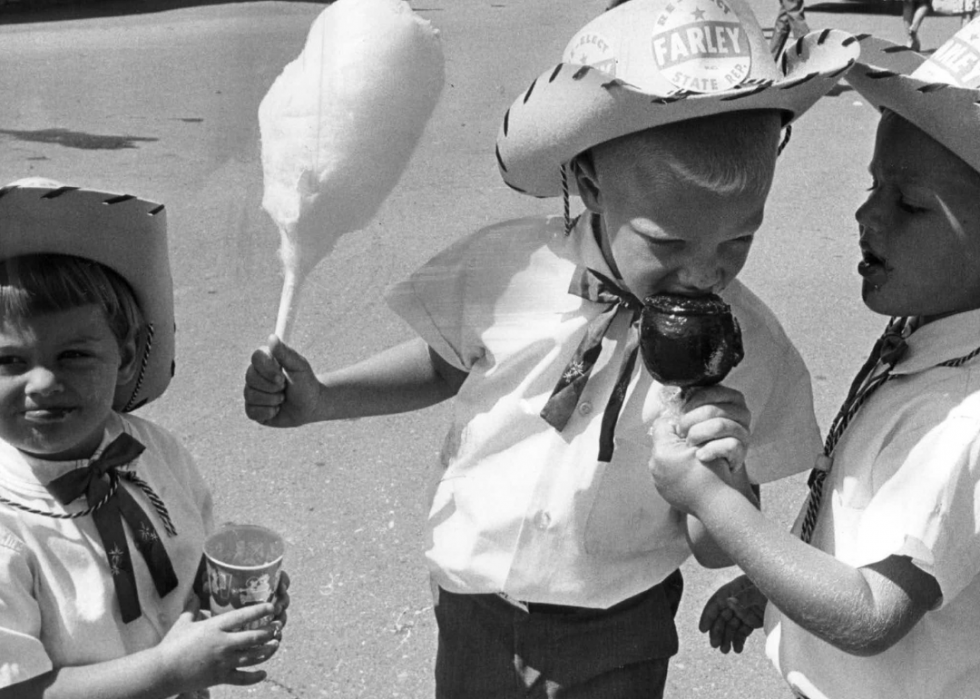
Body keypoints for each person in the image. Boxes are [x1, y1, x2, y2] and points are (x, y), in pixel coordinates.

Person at [243, 1, 856, 696]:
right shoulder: (507, 266)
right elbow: (445, 361)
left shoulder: (751, 350)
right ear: (591, 182)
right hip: (475, 599)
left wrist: (722, 474)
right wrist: (324, 395)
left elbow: (715, 547)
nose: (706, 272)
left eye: (738, 241)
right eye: (668, 243)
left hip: (619, 622)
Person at [649, 20, 980, 699]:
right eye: (875, 186)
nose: (867, 216)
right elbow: (879, 536)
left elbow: (870, 612)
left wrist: (711, 498)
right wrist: (777, 578)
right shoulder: (929, 339)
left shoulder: (960, 418)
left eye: (911, 204)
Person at [0, 179, 289, 699]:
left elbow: (188, 556)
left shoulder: (151, 450)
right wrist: (169, 670)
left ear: (127, 356)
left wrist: (228, 601)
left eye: (74, 355)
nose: (41, 383)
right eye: (8, 361)